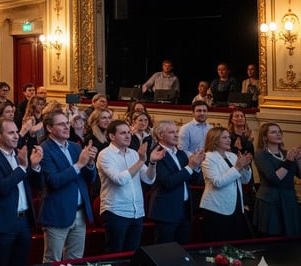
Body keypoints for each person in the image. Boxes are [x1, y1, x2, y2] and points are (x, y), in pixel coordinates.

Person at [0, 118, 43, 266]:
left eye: (17, 132)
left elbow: (38, 185)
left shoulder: (18, 155)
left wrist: (34, 166)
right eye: (11, 133)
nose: (16, 136)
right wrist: (22, 167)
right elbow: (3, 188)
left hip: (23, 221)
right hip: (2, 222)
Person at [39, 109, 97, 262]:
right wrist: (79, 164)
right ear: (49, 128)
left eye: (67, 123)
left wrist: (90, 164)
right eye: (61, 124)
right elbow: (54, 181)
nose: (66, 127)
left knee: (75, 260)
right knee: (53, 260)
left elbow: (89, 179)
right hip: (57, 212)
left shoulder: (75, 147)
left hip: (80, 212)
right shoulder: (43, 150)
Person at [97, 120, 164, 253]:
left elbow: (149, 179)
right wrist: (141, 161)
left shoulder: (133, 153)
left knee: (132, 255)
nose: (128, 136)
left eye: (128, 132)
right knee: (115, 254)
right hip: (116, 212)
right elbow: (119, 179)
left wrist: (152, 163)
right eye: (123, 133)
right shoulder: (105, 154)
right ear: (112, 136)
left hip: (136, 212)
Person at [147, 119, 204, 245]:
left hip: (184, 210)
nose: (177, 135)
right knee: (165, 251)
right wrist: (190, 167)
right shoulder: (155, 153)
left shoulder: (181, 153)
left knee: (182, 250)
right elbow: (167, 182)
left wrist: (197, 165)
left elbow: (194, 180)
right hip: (166, 210)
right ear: (161, 135)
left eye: (177, 131)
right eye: (172, 132)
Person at [200, 126, 253, 242]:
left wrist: (245, 167)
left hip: (236, 205)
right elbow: (218, 182)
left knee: (235, 242)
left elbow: (245, 180)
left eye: (229, 137)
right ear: (214, 140)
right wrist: (238, 167)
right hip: (217, 206)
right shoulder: (208, 158)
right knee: (220, 244)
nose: (229, 140)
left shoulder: (232, 156)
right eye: (224, 137)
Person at [253, 122, 301, 236]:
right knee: (273, 237)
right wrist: (288, 162)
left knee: (290, 236)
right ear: (265, 137)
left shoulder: (286, 153)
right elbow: (274, 179)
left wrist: (299, 160)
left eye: (279, 132)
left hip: (288, 199)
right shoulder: (261, 154)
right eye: (274, 132)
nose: (278, 134)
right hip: (270, 201)